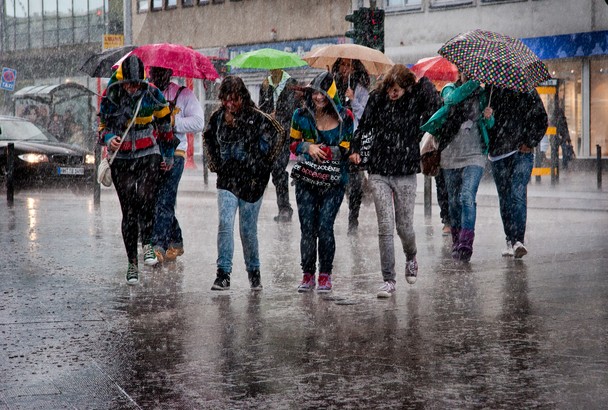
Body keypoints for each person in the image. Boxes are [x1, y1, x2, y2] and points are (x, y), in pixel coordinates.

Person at [349, 64, 441, 298]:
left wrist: (425, 85)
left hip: (405, 171)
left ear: (407, 87)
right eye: (390, 88)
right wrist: (356, 148)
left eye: (398, 89)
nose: (393, 92)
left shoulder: (415, 99)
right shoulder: (377, 99)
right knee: (385, 225)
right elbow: (363, 127)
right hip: (379, 170)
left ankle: (411, 256)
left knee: (404, 227)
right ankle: (388, 279)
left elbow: (436, 109)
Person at [98, 55, 177, 284]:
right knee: (129, 211)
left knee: (147, 198)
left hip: (148, 153)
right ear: (122, 81)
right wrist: (109, 138)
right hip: (121, 158)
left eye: (136, 84)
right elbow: (102, 127)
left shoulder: (152, 93)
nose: (132, 89)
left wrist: (168, 154)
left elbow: (165, 124)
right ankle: (132, 264)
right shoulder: (111, 94)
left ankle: (148, 244)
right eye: (128, 84)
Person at [203, 75, 283, 291]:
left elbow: (279, 134)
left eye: (234, 99)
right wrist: (215, 164)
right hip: (227, 180)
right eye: (225, 99)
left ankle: (254, 273)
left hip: (253, 182)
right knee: (225, 224)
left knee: (247, 230)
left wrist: (265, 164)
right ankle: (223, 274)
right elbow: (207, 138)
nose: (229, 104)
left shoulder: (257, 117)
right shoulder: (217, 118)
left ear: (242, 97)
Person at [290, 71, 354, 293]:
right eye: (315, 93)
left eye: (323, 94)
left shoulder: (345, 116)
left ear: (331, 94)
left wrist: (324, 150)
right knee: (307, 228)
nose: (318, 97)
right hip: (306, 180)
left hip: (334, 181)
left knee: (325, 226)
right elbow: (293, 143)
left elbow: (346, 148)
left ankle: (325, 274)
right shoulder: (300, 115)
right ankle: (308, 274)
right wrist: (307, 147)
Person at [421, 73, 495, 262]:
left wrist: (489, 117)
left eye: (473, 74)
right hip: (450, 155)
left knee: (467, 197)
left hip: (475, 155)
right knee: (453, 202)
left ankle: (466, 242)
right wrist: (473, 84)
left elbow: (489, 125)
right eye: (467, 72)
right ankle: (456, 239)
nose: (470, 76)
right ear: (461, 72)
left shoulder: (483, 95)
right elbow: (451, 100)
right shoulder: (449, 88)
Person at [148, 66, 206, 262]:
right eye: (154, 73)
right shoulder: (147, 93)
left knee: (164, 199)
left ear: (169, 73)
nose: (157, 77)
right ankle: (176, 240)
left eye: (161, 73)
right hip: (152, 153)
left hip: (176, 152)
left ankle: (159, 246)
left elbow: (198, 123)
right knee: (155, 200)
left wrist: (173, 122)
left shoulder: (184, 94)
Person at [486, 86, 548, 258]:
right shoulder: (492, 90)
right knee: (505, 198)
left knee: (517, 193)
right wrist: (487, 117)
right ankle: (510, 239)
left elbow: (542, 118)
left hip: (521, 152)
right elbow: (484, 124)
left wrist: (530, 141)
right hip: (498, 153)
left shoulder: (527, 90)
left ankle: (518, 241)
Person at [331, 58, 370, 234]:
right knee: (336, 179)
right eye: (343, 64)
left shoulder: (360, 89)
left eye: (349, 65)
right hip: (336, 139)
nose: (345, 68)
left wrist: (353, 100)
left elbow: (365, 115)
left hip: (354, 140)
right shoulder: (332, 86)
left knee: (355, 183)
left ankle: (353, 219)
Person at [258, 68, 301, 222]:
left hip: (285, 133)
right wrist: (267, 116)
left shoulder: (292, 84)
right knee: (271, 171)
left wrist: (279, 115)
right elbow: (261, 109)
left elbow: (294, 109)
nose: (272, 70)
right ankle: (281, 207)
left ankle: (285, 208)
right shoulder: (265, 85)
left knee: (278, 168)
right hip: (269, 134)